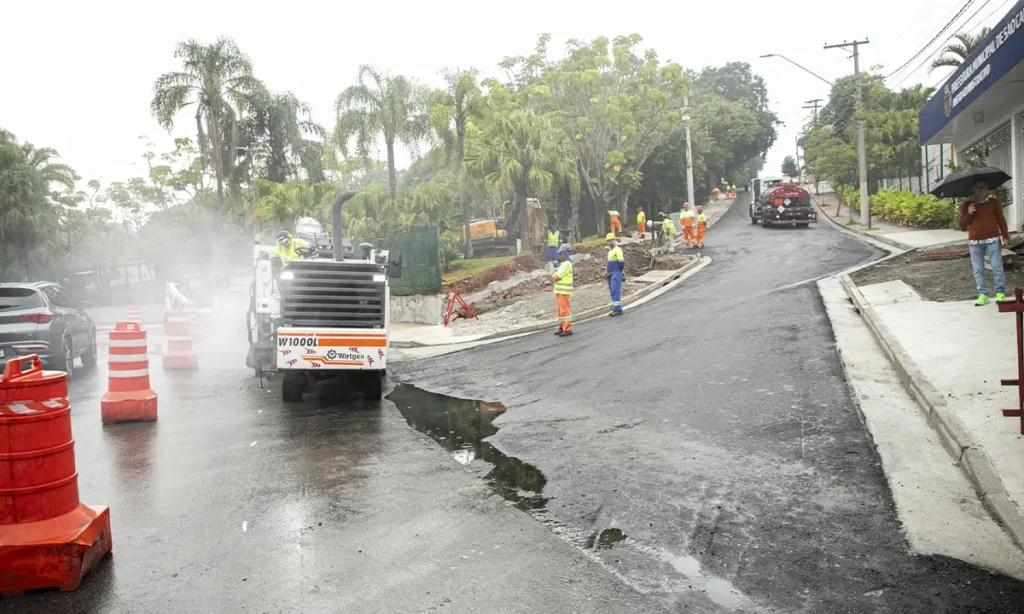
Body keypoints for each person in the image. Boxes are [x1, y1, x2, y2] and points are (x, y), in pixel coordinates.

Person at [959, 179, 1011, 306]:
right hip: (974, 241)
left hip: (992, 239)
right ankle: (983, 294)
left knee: (997, 266)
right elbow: (961, 226)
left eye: (984, 187)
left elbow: (1001, 219)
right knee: (978, 269)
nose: (981, 190)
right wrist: (969, 213)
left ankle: (1000, 293)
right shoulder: (967, 205)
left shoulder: (993, 203)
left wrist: (1005, 235)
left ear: (988, 189)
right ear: (973, 189)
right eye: (978, 187)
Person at [552, 244, 574, 337]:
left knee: (564, 311)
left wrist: (554, 276)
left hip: (564, 291)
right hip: (560, 291)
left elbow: (556, 276)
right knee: (560, 311)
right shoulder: (563, 264)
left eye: (561, 254)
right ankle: (562, 327)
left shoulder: (566, 264)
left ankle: (567, 328)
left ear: (565, 254)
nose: (560, 256)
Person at [605, 233, 625, 317]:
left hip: (616, 272)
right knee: (612, 291)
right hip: (611, 273)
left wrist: (621, 272)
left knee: (615, 289)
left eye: (611, 240)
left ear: (614, 240)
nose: (609, 242)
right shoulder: (610, 251)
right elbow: (609, 263)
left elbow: (621, 262)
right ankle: (615, 307)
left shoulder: (617, 250)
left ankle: (618, 309)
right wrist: (606, 272)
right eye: (608, 241)